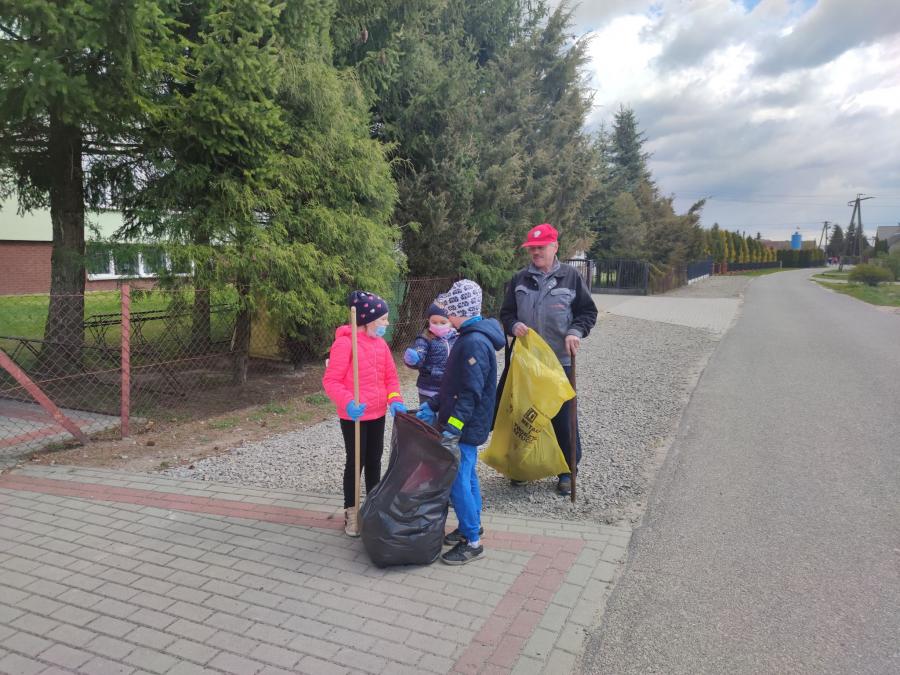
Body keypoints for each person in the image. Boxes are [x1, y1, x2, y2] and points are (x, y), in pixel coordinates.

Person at [499, 223, 598, 496]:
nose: (535, 252)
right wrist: (513, 325)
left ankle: (567, 470)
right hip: (526, 363)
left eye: (540, 247)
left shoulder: (571, 277)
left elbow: (587, 313)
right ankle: (523, 467)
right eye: (532, 248)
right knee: (524, 415)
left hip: (560, 361)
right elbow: (506, 313)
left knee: (562, 417)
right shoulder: (520, 279)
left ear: (555, 247)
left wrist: (575, 331)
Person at [416, 279, 504, 565]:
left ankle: (473, 542)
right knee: (468, 476)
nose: (445, 314)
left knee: (458, 481)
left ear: (458, 310)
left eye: (448, 309)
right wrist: (433, 405)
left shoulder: (474, 343)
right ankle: (472, 526)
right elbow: (452, 385)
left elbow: (469, 393)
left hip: (465, 427)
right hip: (465, 424)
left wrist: (453, 426)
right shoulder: (466, 337)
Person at [323, 291, 407, 537]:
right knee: (355, 462)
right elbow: (331, 381)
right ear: (367, 320)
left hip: (377, 413)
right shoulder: (345, 344)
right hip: (355, 416)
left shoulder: (381, 345)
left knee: (374, 460)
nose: (387, 323)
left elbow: (391, 378)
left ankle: (373, 508)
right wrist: (348, 402)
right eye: (383, 319)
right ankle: (351, 512)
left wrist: (395, 399)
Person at [402, 302, 458, 405]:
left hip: (449, 388)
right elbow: (419, 354)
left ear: (451, 321)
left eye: (443, 322)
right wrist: (413, 360)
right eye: (434, 322)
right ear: (429, 321)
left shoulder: (456, 338)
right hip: (428, 389)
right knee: (427, 414)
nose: (438, 325)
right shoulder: (424, 338)